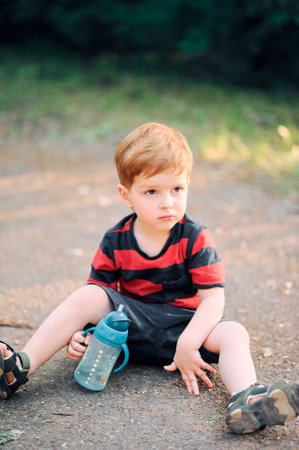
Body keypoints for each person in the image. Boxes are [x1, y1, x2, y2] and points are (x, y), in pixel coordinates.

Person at [0, 123, 298, 434]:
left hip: (186, 327)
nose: (167, 202)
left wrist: (188, 342)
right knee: (87, 295)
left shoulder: (194, 236)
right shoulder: (116, 239)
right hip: (132, 328)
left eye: (177, 189)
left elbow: (213, 299)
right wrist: (84, 334)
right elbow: (100, 297)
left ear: (188, 186)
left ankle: (246, 399)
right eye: (152, 191)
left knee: (234, 333)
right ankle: (19, 368)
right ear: (126, 195)